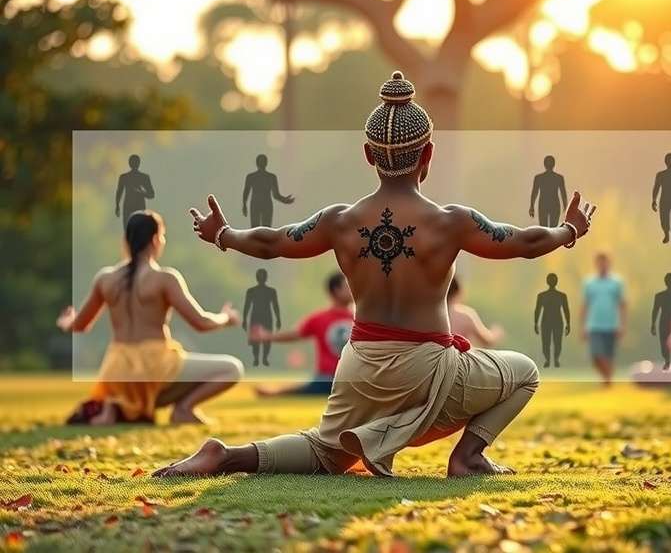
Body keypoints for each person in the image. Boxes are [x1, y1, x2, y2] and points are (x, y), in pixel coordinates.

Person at [154, 70, 594, 479]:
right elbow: (523, 243)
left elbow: (274, 242)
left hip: (359, 364)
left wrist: (224, 234)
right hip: (426, 370)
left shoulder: (340, 220)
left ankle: (225, 455)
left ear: (368, 154)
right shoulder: (449, 222)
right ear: (428, 154)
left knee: (328, 453)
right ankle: (468, 457)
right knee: (524, 371)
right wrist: (569, 229)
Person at [57, 211, 244, 425]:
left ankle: (118, 407)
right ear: (156, 239)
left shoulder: (105, 278)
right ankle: (183, 409)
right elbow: (200, 322)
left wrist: (67, 322)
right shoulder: (164, 278)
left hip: (116, 369)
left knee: (134, 384)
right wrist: (225, 318)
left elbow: (79, 325)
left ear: (126, 240)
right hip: (156, 365)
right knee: (232, 368)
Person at [254, 272, 354, 397]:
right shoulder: (320, 318)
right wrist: (266, 336)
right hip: (327, 378)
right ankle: (273, 393)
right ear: (336, 290)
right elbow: (295, 334)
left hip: (352, 377)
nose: (354, 289)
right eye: (348, 286)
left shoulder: (360, 317)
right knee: (304, 390)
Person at [580, 252, 626, 386]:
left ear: (609, 263)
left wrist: (622, 325)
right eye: (600, 262)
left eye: (604, 262)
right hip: (594, 325)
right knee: (596, 355)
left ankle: (607, 381)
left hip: (612, 325)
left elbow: (623, 305)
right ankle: (608, 378)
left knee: (609, 355)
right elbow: (584, 305)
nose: (602, 265)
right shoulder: (589, 283)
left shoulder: (617, 282)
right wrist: (582, 326)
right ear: (596, 264)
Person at [446, 276, 504, 348]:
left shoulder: (431, 315)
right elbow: (486, 340)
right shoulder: (465, 315)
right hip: (458, 356)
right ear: (458, 292)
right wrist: (496, 333)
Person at [242, 154, 295, 228]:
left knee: (256, 229)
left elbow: (246, 192)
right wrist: (285, 200)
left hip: (257, 203)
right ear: (266, 163)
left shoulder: (251, 177)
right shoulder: (271, 177)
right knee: (265, 229)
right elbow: (276, 195)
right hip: (264, 204)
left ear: (257, 163)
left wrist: (244, 204)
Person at [243, 268, 282, 367]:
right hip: (256, 316)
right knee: (255, 339)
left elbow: (275, 305)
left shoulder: (271, 291)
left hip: (267, 316)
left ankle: (264, 357)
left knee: (267, 338)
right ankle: (256, 358)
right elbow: (247, 305)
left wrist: (278, 318)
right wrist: (244, 319)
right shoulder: (251, 291)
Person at [534, 273, 570, 368]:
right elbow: (537, 310)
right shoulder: (542, 296)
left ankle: (556, 359)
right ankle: (548, 359)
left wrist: (568, 324)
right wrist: (535, 323)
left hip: (557, 321)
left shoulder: (561, 296)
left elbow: (566, 310)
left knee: (557, 341)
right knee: (546, 342)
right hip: (547, 321)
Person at [115, 154, 155, 230]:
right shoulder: (125, 177)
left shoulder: (143, 177)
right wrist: (117, 205)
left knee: (136, 230)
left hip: (138, 207)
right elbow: (119, 192)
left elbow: (151, 194)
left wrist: (141, 192)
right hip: (129, 207)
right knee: (130, 230)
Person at [529, 155, 567, 228]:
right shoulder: (558, 178)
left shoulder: (539, 178)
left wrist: (532, 206)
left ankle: (546, 239)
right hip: (553, 204)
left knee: (545, 229)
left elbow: (534, 192)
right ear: (554, 164)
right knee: (552, 228)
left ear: (544, 164)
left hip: (545, 204)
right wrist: (565, 206)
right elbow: (563, 194)